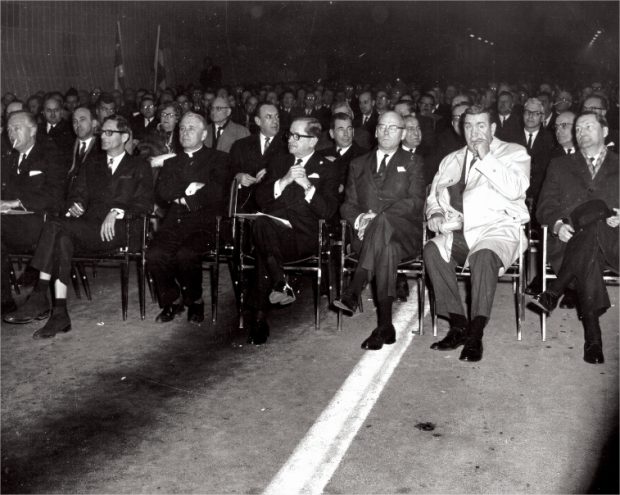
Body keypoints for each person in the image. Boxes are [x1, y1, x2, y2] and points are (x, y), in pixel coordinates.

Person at [3, 115, 154, 338]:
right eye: (102, 132)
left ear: (124, 137)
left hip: (122, 229)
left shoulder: (139, 165)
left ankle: (39, 295)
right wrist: (77, 205)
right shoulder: (92, 164)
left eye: (109, 132)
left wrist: (117, 211)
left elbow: (145, 203)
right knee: (61, 237)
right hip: (90, 227)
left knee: (56, 227)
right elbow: (77, 195)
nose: (103, 136)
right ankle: (60, 313)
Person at [423, 105, 530, 362]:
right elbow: (433, 196)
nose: (474, 132)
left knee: (483, 256)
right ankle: (458, 325)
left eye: (481, 125)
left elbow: (516, 188)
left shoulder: (514, 153)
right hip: (460, 231)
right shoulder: (451, 159)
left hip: (497, 229)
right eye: (468, 126)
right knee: (432, 251)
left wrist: (486, 156)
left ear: (493, 128)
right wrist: (435, 213)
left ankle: (476, 333)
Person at [334, 111, 426, 350]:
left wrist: (379, 218)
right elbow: (347, 204)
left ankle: (354, 289)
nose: (386, 131)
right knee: (386, 251)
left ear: (403, 134)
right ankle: (385, 326)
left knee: (384, 223)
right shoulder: (358, 164)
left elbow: (416, 202)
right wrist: (360, 219)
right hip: (367, 239)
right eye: (382, 127)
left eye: (393, 128)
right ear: (375, 131)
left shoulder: (414, 162)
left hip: (404, 234)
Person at [533, 112, 618, 364]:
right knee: (588, 244)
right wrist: (558, 224)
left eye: (588, 127)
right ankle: (593, 339)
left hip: (614, 242)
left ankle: (555, 289)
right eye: (578, 129)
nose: (581, 132)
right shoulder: (559, 166)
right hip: (570, 243)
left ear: (604, 132)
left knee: (595, 218)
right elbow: (544, 207)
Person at [247, 117, 340, 345]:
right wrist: (283, 181)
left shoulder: (327, 168)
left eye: (298, 136)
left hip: (304, 239)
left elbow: (327, 211)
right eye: (290, 135)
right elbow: (259, 199)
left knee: (262, 244)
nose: (291, 140)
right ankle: (278, 286)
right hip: (274, 233)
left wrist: (308, 186)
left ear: (313, 141)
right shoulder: (279, 162)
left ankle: (263, 312)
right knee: (261, 226)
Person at [146, 112, 231, 323]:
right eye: (182, 128)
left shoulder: (219, 158)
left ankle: (195, 301)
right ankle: (172, 300)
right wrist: (194, 188)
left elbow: (217, 192)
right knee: (155, 254)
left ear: (204, 135)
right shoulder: (172, 162)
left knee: (186, 254)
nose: (184, 132)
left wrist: (186, 198)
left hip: (205, 225)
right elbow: (164, 191)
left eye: (191, 128)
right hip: (175, 221)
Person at [1, 111, 65, 313]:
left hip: (38, 222)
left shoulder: (50, 156)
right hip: (10, 222)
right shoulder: (7, 157)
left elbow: (54, 196)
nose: (11, 133)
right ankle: (4, 300)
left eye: (16, 128)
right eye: (9, 129)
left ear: (33, 130)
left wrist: (16, 202)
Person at [230, 102, 288, 213]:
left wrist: (269, 171)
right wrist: (238, 176)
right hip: (246, 205)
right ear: (258, 121)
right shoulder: (241, 145)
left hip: (275, 206)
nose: (275, 121)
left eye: (277, 117)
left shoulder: (287, 146)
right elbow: (230, 171)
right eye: (269, 117)